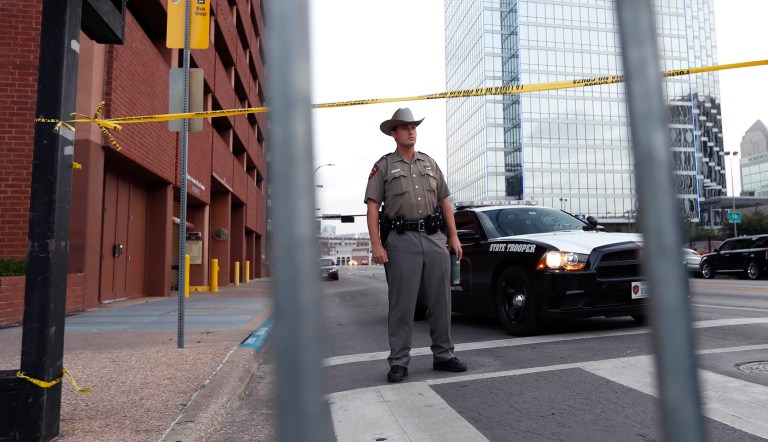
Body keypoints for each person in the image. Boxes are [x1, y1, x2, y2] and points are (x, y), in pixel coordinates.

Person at [364, 108, 467, 383]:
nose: (411, 131)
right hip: (400, 241)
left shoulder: (430, 163)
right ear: (394, 133)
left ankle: (444, 355)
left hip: (434, 238)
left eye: (413, 126)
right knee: (402, 304)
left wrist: (453, 236)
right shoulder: (384, 166)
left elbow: (445, 201)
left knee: (441, 302)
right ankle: (399, 361)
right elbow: (373, 207)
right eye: (405, 127)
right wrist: (376, 244)